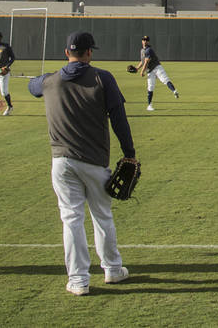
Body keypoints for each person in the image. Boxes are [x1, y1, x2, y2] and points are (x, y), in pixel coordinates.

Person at [28, 31, 137, 296]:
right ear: (89, 53)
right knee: (102, 216)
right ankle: (112, 269)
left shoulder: (49, 81)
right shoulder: (103, 78)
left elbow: (32, 86)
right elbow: (118, 119)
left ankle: (78, 280)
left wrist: (43, 79)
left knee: (71, 219)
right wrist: (129, 152)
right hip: (94, 162)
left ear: (67, 53)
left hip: (62, 163)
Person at [137, 35, 179, 111]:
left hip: (157, 67)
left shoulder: (148, 50)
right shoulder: (142, 50)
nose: (145, 41)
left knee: (165, 80)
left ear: (148, 41)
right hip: (150, 71)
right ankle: (149, 105)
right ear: (142, 41)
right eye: (144, 40)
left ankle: (174, 91)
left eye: (146, 40)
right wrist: (137, 68)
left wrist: (142, 71)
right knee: (150, 87)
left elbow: (146, 62)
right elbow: (142, 61)